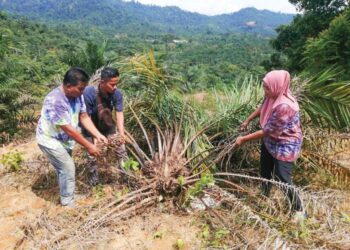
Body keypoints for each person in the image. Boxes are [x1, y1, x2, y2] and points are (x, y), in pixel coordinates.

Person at [236, 70, 305, 222]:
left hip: (286, 143)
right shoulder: (273, 94)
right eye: (264, 87)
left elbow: (268, 131)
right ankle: (264, 194)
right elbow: (263, 107)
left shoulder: (284, 105)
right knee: (265, 169)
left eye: (267, 88)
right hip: (271, 140)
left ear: (277, 86)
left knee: (282, 176)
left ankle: (299, 209)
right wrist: (248, 120)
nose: (265, 91)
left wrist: (243, 139)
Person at [36, 67, 108, 207]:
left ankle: (68, 194)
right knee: (68, 167)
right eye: (80, 89)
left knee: (63, 169)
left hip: (64, 140)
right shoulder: (55, 100)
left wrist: (98, 135)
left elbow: (84, 116)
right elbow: (69, 130)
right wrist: (90, 146)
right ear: (69, 86)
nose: (83, 92)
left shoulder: (77, 94)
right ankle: (67, 202)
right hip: (49, 139)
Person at [82, 67, 128, 186]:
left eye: (117, 84)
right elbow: (85, 117)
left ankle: (127, 178)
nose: (115, 87)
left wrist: (121, 134)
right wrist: (95, 136)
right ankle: (94, 183)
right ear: (102, 82)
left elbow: (119, 114)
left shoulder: (116, 94)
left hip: (107, 125)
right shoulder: (88, 93)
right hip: (89, 127)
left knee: (121, 150)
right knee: (92, 155)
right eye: (112, 84)